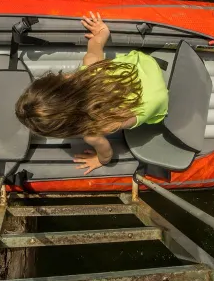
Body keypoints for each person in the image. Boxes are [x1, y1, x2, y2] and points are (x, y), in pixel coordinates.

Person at [15, 12, 168, 175]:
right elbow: (96, 44)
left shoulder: (93, 133)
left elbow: (106, 154)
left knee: (128, 116)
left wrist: (100, 160)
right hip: (147, 66)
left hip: (159, 100)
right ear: (62, 81)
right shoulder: (91, 67)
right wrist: (101, 31)